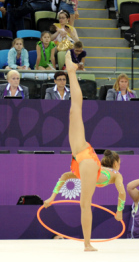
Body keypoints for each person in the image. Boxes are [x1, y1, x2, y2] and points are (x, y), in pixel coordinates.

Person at [43, 52, 126, 251]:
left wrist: (53, 196)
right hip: (85, 159)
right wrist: (120, 212)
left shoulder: (114, 175)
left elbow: (65, 176)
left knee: (74, 111)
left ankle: (87, 243)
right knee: (75, 110)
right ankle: (71, 72)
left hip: (83, 159)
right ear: (114, 163)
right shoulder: (115, 175)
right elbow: (122, 194)